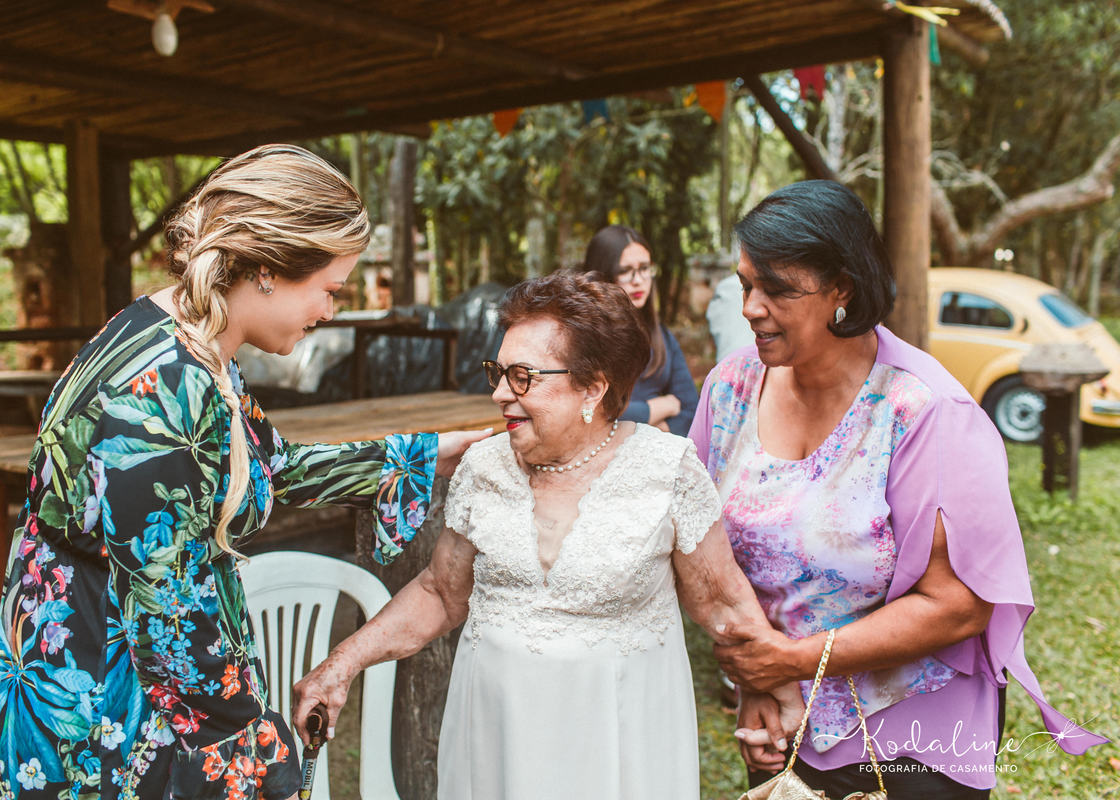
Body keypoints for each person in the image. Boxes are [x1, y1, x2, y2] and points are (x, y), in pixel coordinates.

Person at [0, 144, 488, 800]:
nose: (330, 312)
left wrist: (431, 454)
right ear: (269, 269)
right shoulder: (160, 390)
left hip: (137, 675)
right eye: (329, 289)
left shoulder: (194, 344)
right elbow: (173, 620)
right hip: (103, 703)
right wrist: (260, 748)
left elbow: (271, 466)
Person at [292, 272, 802, 800]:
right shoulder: (484, 467)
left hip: (615, 743)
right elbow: (439, 592)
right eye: (498, 372)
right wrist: (341, 664)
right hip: (494, 738)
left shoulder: (666, 471)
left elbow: (722, 601)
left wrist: (774, 684)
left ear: (593, 387)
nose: (497, 393)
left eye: (521, 377)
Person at [689, 180, 1107, 799]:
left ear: (843, 290)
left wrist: (793, 662)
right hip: (779, 719)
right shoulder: (730, 391)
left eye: (776, 288)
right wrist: (759, 678)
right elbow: (697, 539)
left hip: (913, 734)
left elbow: (959, 603)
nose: (751, 306)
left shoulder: (925, 412)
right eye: (747, 283)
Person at [580, 225, 698, 435]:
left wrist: (641, 431)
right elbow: (589, 413)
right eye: (624, 271)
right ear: (603, 275)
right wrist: (660, 407)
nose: (638, 280)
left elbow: (690, 410)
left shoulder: (661, 336)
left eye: (644, 268)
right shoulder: (584, 337)